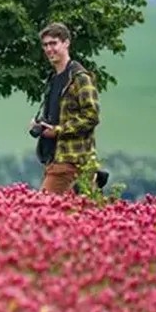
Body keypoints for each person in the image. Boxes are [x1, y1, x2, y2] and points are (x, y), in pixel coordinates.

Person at [29, 22, 101, 194]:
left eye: (53, 43)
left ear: (66, 43)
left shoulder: (80, 78)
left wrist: (58, 130)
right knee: (74, 215)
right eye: (45, 45)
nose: (49, 49)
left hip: (70, 159)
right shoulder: (53, 79)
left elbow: (92, 116)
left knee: (41, 210)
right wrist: (40, 124)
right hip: (53, 158)